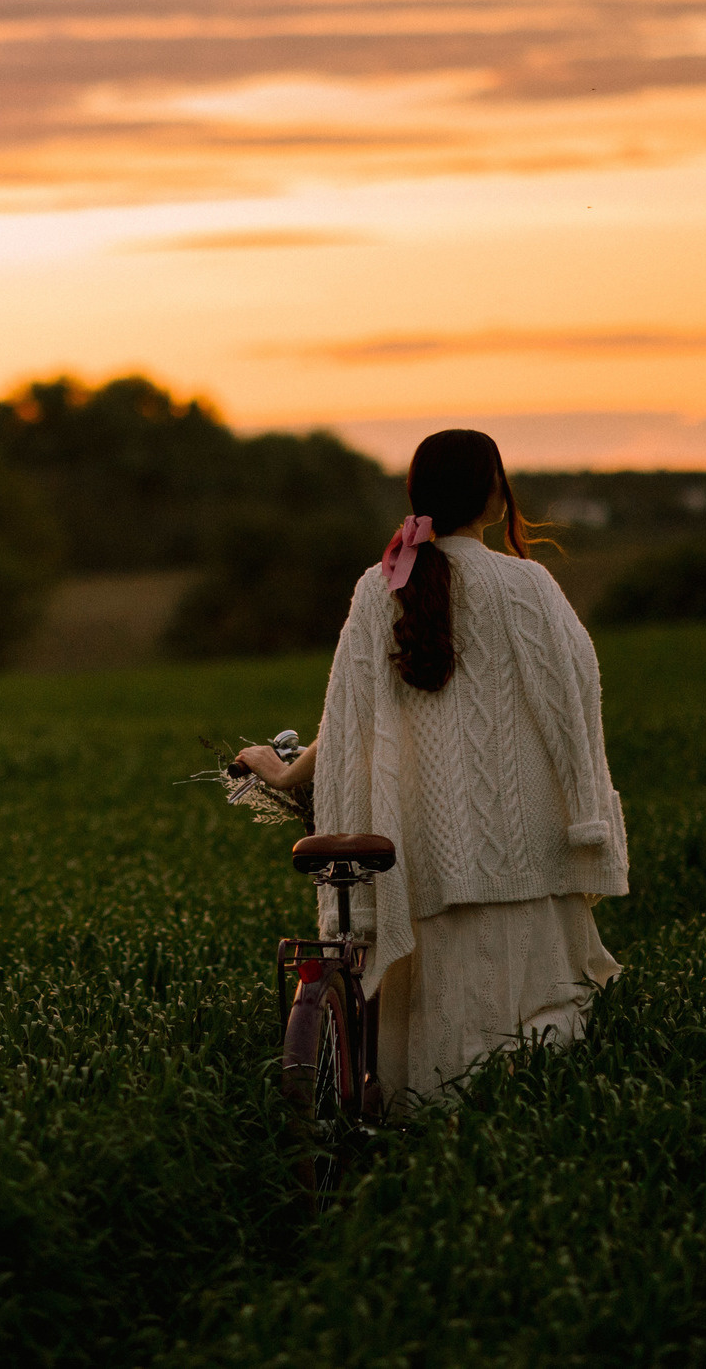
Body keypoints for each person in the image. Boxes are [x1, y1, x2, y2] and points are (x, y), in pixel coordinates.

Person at [232, 428, 627, 1102]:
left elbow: (347, 720)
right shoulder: (528, 585)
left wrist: (283, 771)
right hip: (522, 859)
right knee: (527, 1059)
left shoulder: (380, 586)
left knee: (423, 1084)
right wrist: (586, 815)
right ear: (494, 492)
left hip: (421, 865)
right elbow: (574, 700)